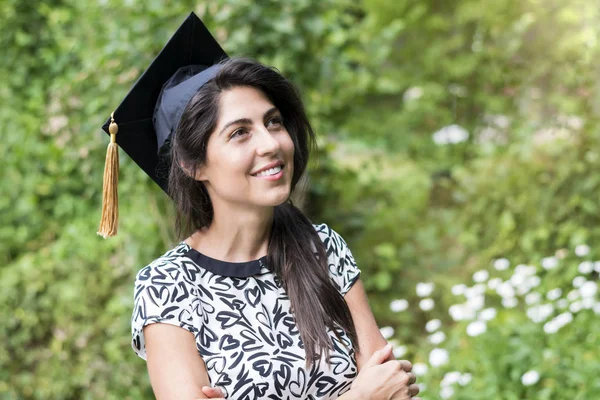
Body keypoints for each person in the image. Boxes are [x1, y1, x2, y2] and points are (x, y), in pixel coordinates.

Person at [97, 12, 421, 400]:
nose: (270, 144)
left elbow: (394, 392)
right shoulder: (167, 287)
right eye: (239, 133)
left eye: (273, 122)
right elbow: (376, 392)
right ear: (194, 165)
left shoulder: (323, 248)